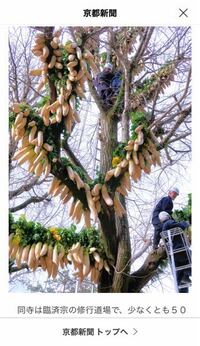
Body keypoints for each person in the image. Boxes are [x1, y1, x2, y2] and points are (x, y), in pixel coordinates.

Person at [159, 211, 191, 293]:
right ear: (168, 216)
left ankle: (183, 291)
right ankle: (186, 275)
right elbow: (180, 226)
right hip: (181, 251)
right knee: (190, 259)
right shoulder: (169, 223)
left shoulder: (163, 227)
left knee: (180, 276)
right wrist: (186, 223)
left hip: (174, 256)